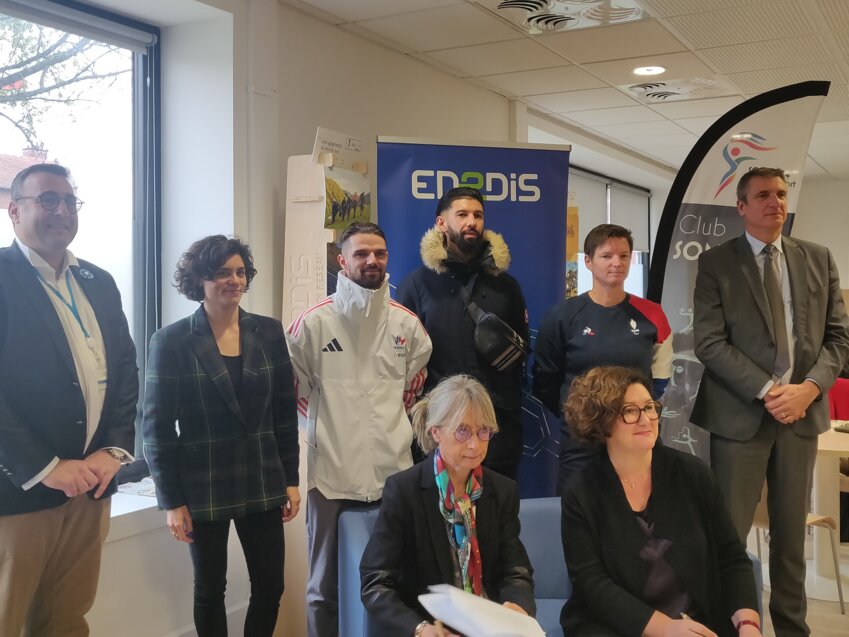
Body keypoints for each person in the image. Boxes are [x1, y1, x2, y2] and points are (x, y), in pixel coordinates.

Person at [692, 166, 849, 635]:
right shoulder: (717, 263)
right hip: (740, 416)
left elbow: (838, 338)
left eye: (780, 194)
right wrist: (769, 391)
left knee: (790, 538)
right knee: (730, 535)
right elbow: (709, 342)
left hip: (801, 416)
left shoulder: (817, 258)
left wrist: (809, 389)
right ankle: (727, 626)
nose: (774, 202)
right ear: (741, 207)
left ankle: (791, 629)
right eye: (762, 195)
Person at [0, 163, 138, 635]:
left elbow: (125, 372)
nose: (62, 210)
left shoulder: (98, 281)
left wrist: (114, 450)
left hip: (91, 487)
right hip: (18, 491)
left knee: (67, 619)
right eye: (48, 199)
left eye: (69, 201)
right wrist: (45, 467)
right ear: (14, 210)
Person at [142, 235, 300, 636]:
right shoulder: (171, 341)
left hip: (263, 477)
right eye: (222, 273)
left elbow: (284, 413)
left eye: (240, 272)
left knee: (271, 586)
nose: (234, 280)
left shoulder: (269, 332)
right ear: (200, 279)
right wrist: (171, 500)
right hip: (203, 482)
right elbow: (157, 428)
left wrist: (291, 479)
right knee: (210, 588)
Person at [285, 221, 432, 637]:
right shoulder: (312, 324)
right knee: (323, 589)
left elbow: (410, 394)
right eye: (362, 253)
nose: (372, 261)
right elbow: (296, 394)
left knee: (395, 584)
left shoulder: (408, 327)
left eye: (379, 253)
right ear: (342, 261)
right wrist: (327, 433)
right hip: (331, 478)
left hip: (394, 478)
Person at [560, 366, 762, 637]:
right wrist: (666, 628)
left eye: (649, 407)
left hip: (696, 623)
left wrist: (748, 625)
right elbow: (591, 583)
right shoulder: (582, 491)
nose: (646, 419)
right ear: (602, 422)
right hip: (614, 626)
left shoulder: (693, 474)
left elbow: (732, 558)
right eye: (630, 411)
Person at [360, 374, 535, 637]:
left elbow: (516, 571)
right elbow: (376, 583)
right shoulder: (404, 491)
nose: (475, 444)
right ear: (436, 432)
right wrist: (420, 629)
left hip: (486, 627)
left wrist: (516, 606)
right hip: (430, 628)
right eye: (462, 431)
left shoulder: (501, 491)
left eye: (483, 431)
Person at [397, 186, 529, 480]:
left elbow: (521, 353)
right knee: (438, 508)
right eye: (462, 214)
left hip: (497, 433)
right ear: (441, 223)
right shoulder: (416, 286)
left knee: (498, 507)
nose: (472, 222)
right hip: (440, 431)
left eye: (478, 215)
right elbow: (402, 362)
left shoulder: (506, 286)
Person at [533, 223, 672, 493]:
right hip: (582, 440)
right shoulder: (562, 316)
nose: (616, 263)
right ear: (588, 261)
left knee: (640, 510)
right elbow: (545, 380)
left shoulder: (652, 314)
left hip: (636, 436)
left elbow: (660, 378)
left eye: (623, 256)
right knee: (578, 510)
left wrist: (631, 413)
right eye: (606, 256)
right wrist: (583, 414)